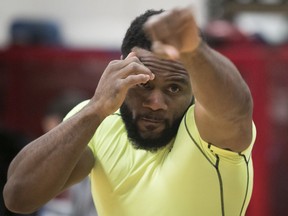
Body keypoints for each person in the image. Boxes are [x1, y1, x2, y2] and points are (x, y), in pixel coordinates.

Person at [3, 5, 256, 216]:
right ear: (120, 74)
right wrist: (95, 108)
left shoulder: (207, 131)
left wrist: (193, 49)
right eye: (144, 84)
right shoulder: (98, 119)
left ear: (194, 91)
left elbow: (235, 108)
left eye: (175, 89)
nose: (156, 102)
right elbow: (18, 196)